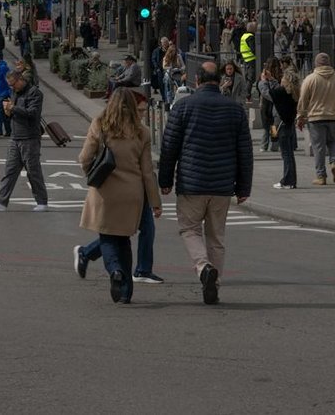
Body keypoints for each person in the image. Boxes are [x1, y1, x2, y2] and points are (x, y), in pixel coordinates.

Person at [158, 61, 252, 305]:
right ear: (219, 80)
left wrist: (165, 180)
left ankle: (203, 267)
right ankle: (215, 283)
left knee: (189, 229)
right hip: (222, 185)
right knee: (216, 237)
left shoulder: (183, 107)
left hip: (191, 183)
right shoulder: (235, 110)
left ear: (196, 81)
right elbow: (245, 152)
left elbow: (169, 148)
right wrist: (243, 187)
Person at [74, 90, 163, 304]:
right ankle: (126, 293)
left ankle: (115, 271)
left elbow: (85, 157)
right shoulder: (142, 131)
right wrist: (155, 202)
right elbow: (147, 171)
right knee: (123, 239)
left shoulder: (100, 124)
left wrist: (91, 173)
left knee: (107, 237)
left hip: (105, 189)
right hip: (132, 192)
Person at [0, 68, 47, 211]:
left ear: (21, 80)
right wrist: (8, 112)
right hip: (15, 137)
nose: (12, 87)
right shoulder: (15, 92)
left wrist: (14, 108)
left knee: (33, 171)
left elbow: (33, 113)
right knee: (10, 171)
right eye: (10, 85)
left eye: (13, 84)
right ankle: (1, 202)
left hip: (29, 138)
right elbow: (15, 112)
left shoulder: (34, 93)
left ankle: (42, 202)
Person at [296, 52, 335, 185]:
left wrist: (300, 116)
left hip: (316, 117)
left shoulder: (310, 79)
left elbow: (303, 99)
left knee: (318, 147)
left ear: (316, 63)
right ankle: (334, 162)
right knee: (334, 142)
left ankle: (321, 176)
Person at [269, 65, 300, 190]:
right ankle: (291, 180)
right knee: (289, 153)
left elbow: (269, 93)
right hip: (286, 124)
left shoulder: (282, 93)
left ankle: (287, 180)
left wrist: (269, 80)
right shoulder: (293, 93)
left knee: (286, 154)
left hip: (280, 124)